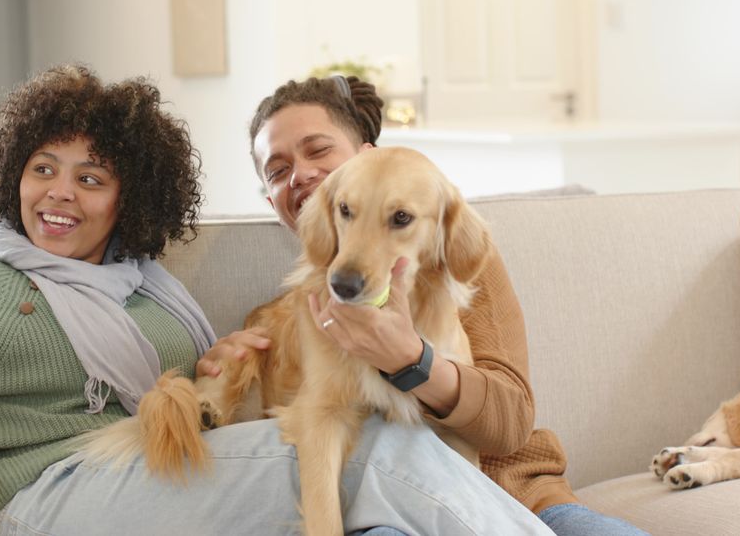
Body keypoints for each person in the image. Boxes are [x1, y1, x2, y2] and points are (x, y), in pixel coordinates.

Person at [0, 65, 549, 535]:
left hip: (155, 483)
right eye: (43, 168)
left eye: (92, 178)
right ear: (11, 172)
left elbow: (205, 398)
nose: (60, 195)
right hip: (53, 498)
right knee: (374, 457)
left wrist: (219, 369)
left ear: (131, 197)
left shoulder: (147, 290)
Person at [211, 73, 648, 536]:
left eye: (318, 150)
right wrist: (227, 373)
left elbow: (511, 421)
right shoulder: (303, 308)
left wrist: (412, 361)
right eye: (277, 170)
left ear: (367, 156)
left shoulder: (453, 259)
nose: (300, 174)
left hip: (521, 500)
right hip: (384, 513)